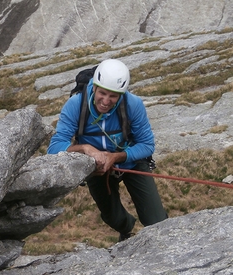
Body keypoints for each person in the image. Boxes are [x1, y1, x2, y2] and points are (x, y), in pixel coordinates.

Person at [48, 58, 167, 241]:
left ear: (121, 94)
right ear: (93, 87)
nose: (105, 101)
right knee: (114, 218)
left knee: (157, 221)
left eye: (113, 96)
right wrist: (86, 149)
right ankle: (127, 230)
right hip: (95, 169)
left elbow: (147, 145)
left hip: (130, 162)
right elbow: (55, 148)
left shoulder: (133, 104)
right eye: (102, 93)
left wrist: (116, 157)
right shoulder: (76, 105)